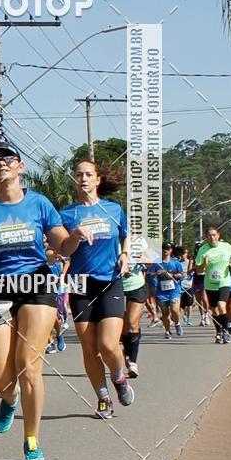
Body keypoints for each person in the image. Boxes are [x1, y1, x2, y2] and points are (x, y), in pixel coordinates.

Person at [0, 141, 94, 460]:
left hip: (36, 284)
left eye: (7, 158)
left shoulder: (39, 203)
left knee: (29, 365)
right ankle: (10, 398)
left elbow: (62, 245)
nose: (0, 162)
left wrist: (73, 237)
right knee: (2, 381)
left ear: (20, 166)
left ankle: (32, 439)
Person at [60, 159, 135, 421]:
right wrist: (74, 236)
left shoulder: (113, 209)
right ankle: (103, 398)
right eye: (79, 174)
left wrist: (125, 254)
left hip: (110, 281)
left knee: (108, 344)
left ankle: (119, 378)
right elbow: (63, 249)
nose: (83, 179)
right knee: (89, 349)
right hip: (80, 284)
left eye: (88, 174)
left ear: (97, 180)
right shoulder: (67, 214)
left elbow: (126, 234)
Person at [195, 228, 231, 344]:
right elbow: (198, 270)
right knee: (213, 310)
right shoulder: (203, 249)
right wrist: (204, 263)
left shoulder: (226, 246)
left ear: (218, 235)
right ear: (206, 237)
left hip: (224, 281)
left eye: (214, 235)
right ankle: (219, 332)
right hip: (210, 283)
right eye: (209, 235)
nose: (212, 237)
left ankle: (226, 331)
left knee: (221, 305)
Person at [149, 243, 184, 340]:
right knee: (165, 314)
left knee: (174, 310)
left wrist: (173, 275)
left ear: (171, 250)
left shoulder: (175, 262)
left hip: (174, 290)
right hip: (161, 292)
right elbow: (149, 274)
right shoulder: (157, 263)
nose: (165, 250)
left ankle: (177, 323)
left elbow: (181, 274)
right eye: (163, 248)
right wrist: (157, 273)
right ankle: (167, 331)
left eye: (168, 248)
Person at [121, 262, 147, 377]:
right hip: (115, 288)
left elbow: (152, 260)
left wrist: (143, 259)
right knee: (123, 327)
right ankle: (127, 353)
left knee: (132, 323)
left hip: (137, 286)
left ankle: (133, 362)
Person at [174, 246, 194, 326]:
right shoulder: (178, 263)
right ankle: (183, 315)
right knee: (180, 305)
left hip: (189, 285)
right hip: (180, 286)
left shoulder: (190, 262)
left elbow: (192, 272)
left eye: (185, 253)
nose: (183, 255)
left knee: (189, 303)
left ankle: (189, 318)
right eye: (182, 253)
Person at [191, 241, 210, 325]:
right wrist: (193, 268)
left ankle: (206, 315)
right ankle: (202, 317)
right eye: (197, 247)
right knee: (199, 300)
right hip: (196, 279)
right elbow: (190, 269)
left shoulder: (206, 256)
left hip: (204, 278)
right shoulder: (193, 258)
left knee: (205, 299)